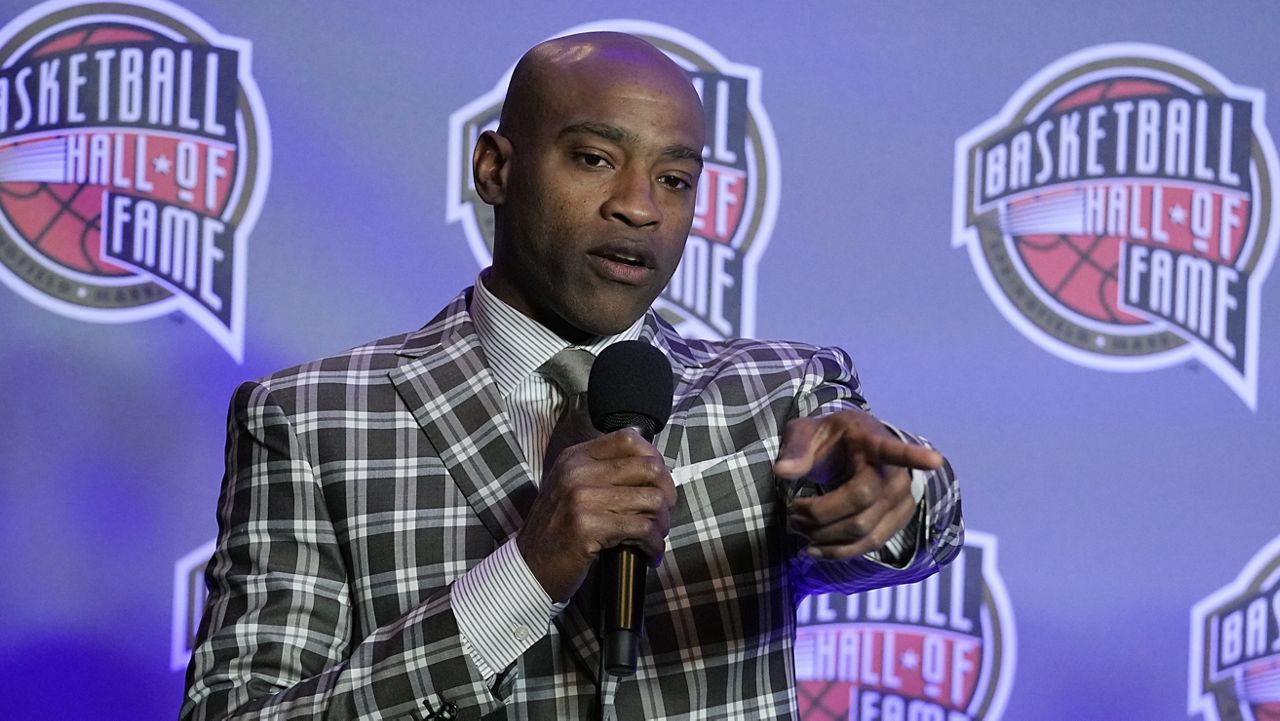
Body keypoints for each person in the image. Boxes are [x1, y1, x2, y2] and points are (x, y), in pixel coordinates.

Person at [181, 31, 963, 720]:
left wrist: (883, 490)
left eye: (675, 179)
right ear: (494, 167)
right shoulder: (312, 417)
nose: (638, 208)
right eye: (595, 159)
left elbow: (920, 519)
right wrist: (523, 573)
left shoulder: (776, 391)